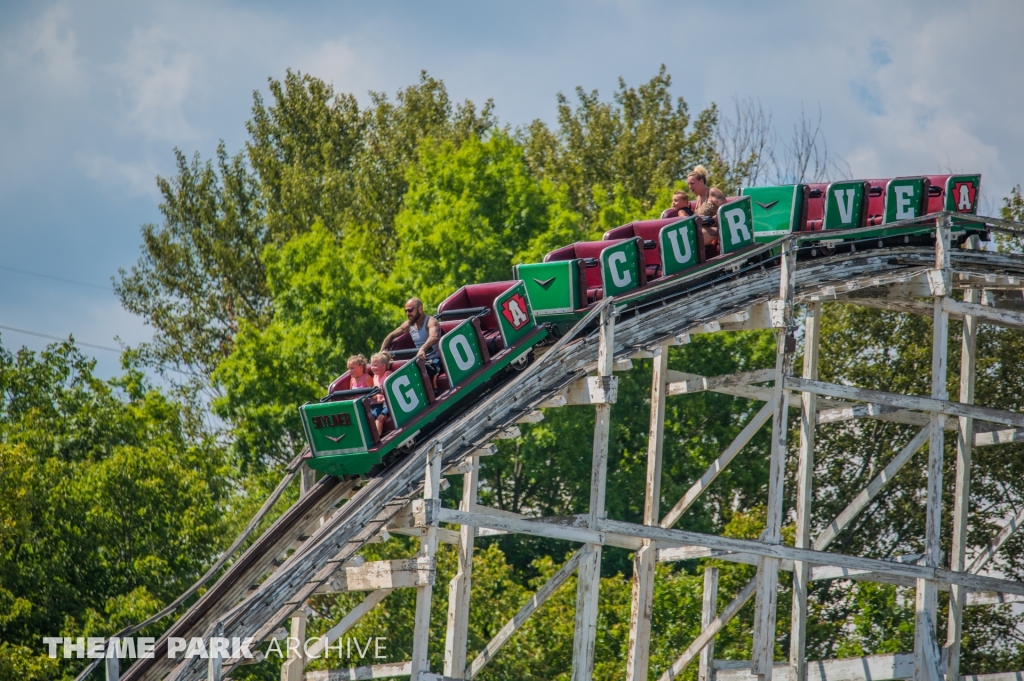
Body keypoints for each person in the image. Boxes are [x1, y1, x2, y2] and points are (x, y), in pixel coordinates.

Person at [381, 298, 443, 384]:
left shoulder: (431, 321)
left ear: (420, 309)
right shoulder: (409, 324)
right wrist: (381, 352)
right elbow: (391, 336)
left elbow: (434, 337)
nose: (407, 313)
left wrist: (422, 349)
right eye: (406, 311)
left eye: (410, 310)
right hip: (420, 361)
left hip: (434, 361)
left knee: (416, 373)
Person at [687, 166, 724, 252]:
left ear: (701, 181)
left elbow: (726, 210)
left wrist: (713, 218)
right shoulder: (698, 198)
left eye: (692, 183)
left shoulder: (713, 192)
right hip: (702, 230)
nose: (689, 187)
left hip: (716, 229)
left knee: (693, 237)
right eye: (688, 184)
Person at [368, 352, 393, 435]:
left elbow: (392, 389)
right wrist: (375, 396)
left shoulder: (388, 374)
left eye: (375, 365)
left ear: (383, 366)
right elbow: (375, 394)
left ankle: (377, 440)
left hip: (389, 404)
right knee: (370, 419)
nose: (372, 368)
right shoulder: (374, 377)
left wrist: (382, 394)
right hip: (379, 405)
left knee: (379, 420)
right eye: (371, 365)